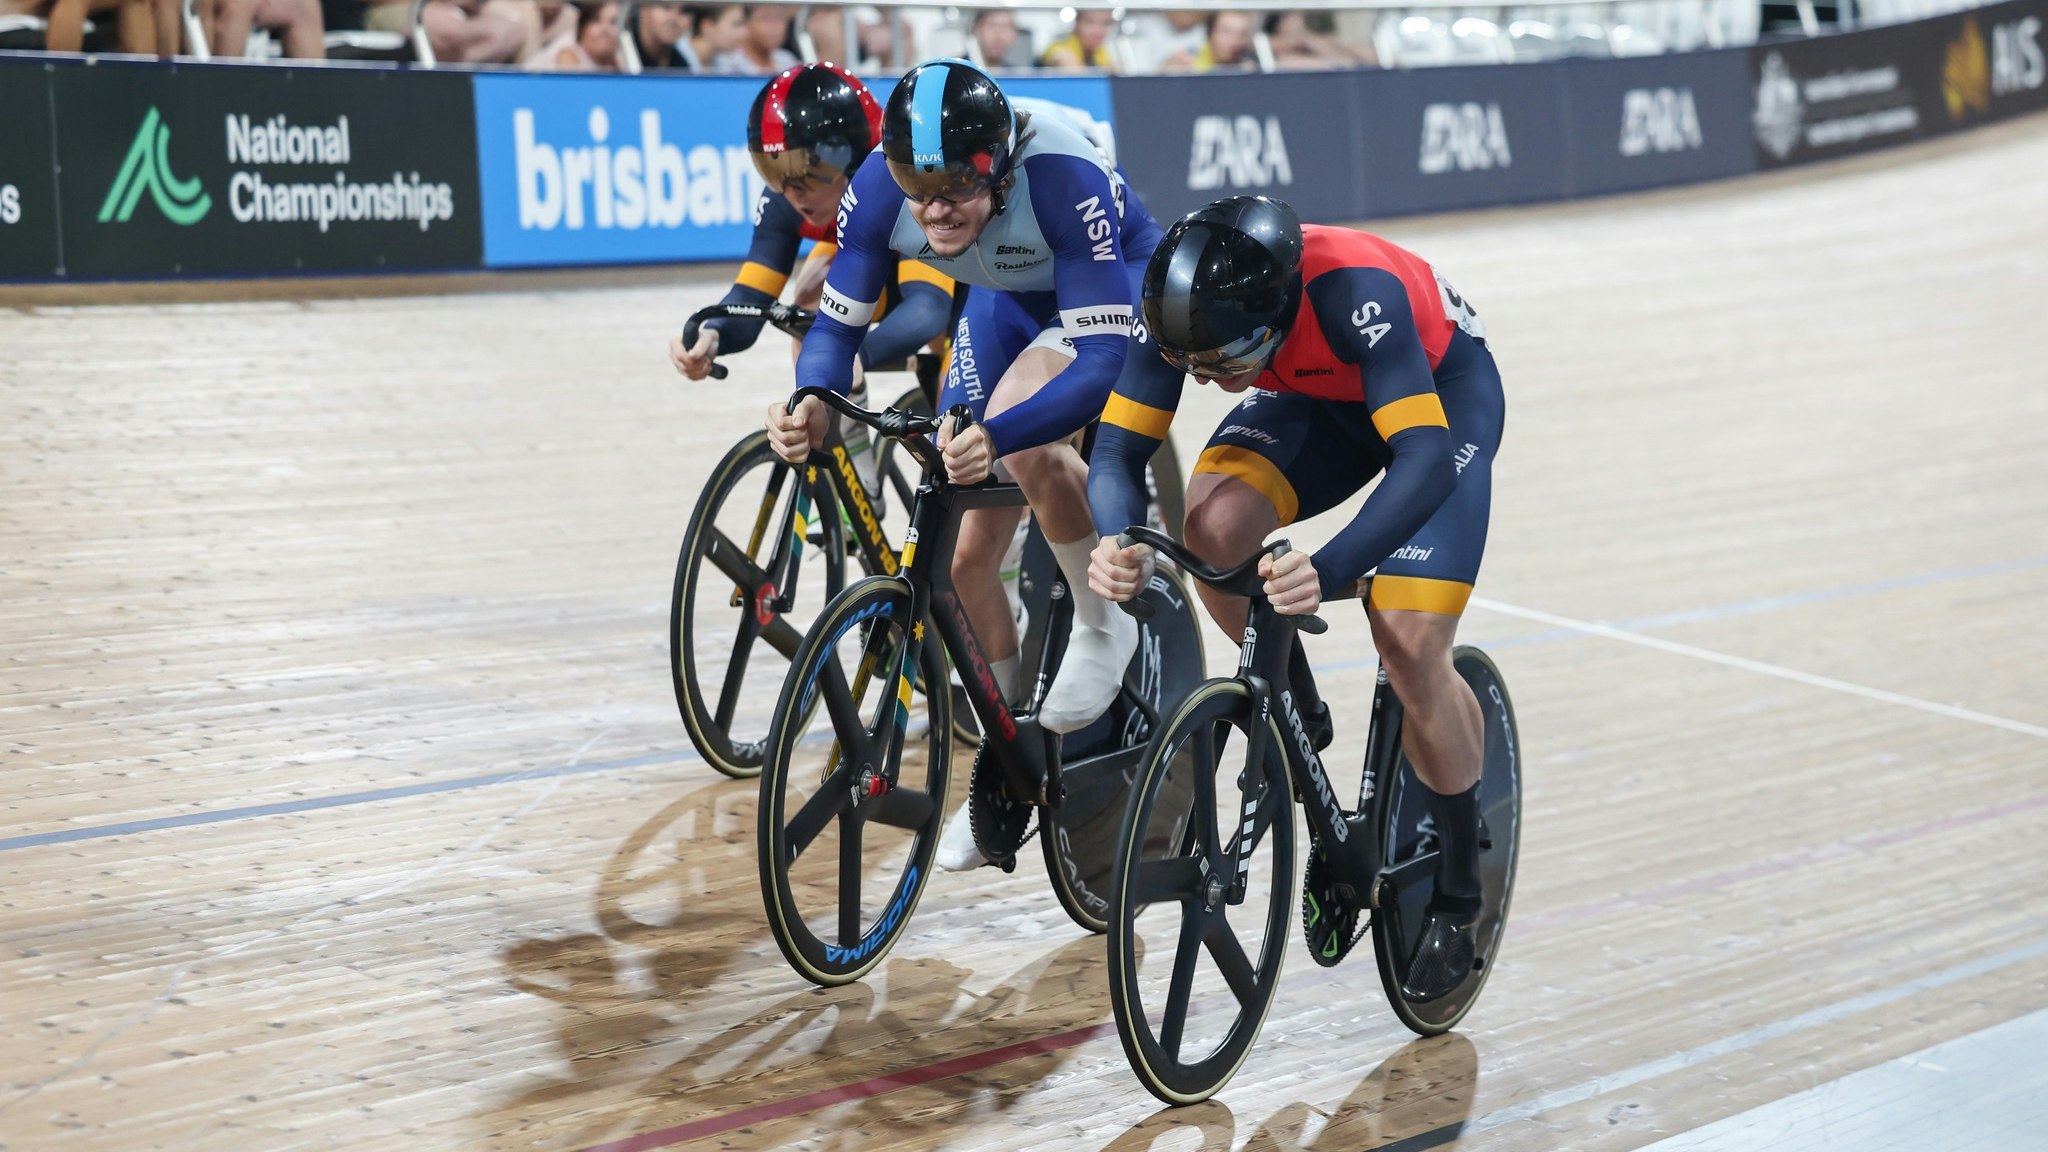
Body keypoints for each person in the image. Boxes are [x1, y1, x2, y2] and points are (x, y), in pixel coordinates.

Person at [761, 59, 1186, 870]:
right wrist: (809, 397)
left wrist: (1001, 433)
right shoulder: (887, 190)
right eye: (918, 188)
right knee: (959, 564)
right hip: (999, 294)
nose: (933, 209)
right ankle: (1011, 745)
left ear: (999, 166)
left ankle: (1106, 632)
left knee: (1018, 439)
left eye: (955, 187)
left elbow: (1098, 361)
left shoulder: (1061, 174)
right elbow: (835, 330)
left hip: (1104, 287)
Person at [1087, 196, 1504, 1004]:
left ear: (1274, 308)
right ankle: (1295, 711)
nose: (1207, 378)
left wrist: (1333, 562)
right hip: (1313, 393)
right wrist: (1114, 535)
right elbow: (1117, 448)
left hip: (1439, 398)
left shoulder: (1356, 291)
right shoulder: (1179, 306)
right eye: (1191, 363)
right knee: (1212, 532)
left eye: (1222, 358)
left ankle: (1459, 884)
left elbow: (1419, 458)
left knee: (1411, 641)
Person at [669, 63, 956, 496]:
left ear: (852, 158)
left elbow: (927, 310)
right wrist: (712, 336)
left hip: (944, 280)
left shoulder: (901, 185)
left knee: (962, 418)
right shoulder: (788, 198)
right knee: (808, 300)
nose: (791, 192)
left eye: (805, 170)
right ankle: (853, 461)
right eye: (775, 170)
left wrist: (861, 353)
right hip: (866, 264)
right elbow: (753, 297)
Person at [527, 0, 619, 70]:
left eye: (613, 22)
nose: (605, 30)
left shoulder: (612, 57)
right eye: (596, 21)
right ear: (582, 26)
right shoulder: (567, 53)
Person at [713, 2, 795, 73]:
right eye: (764, 18)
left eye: (779, 18)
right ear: (746, 22)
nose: (774, 26)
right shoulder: (727, 62)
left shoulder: (788, 61)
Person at [1162, 9, 1254, 72]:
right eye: (1226, 32)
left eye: (1242, 33)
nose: (1235, 40)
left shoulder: (1250, 68)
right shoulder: (1185, 61)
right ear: (1210, 34)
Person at [1037, 6, 1116, 71]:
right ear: (1077, 23)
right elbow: (1074, 71)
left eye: (1105, 23)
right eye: (1090, 22)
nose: (1098, 30)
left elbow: (1117, 74)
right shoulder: (1060, 46)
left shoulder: (1100, 52)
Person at [675, 1, 740, 71]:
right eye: (736, 24)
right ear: (708, 25)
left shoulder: (723, 62)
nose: (743, 33)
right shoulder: (675, 55)